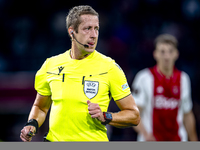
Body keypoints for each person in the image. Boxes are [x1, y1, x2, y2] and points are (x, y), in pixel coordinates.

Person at [20, 5, 140, 142]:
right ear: (72, 32)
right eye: (87, 28)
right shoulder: (50, 65)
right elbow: (40, 107)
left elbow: (134, 116)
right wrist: (32, 124)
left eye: (96, 29)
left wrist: (106, 116)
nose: (94, 35)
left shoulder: (110, 67)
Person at [131, 34, 198, 141]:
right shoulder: (144, 77)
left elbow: (187, 113)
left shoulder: (184, 79)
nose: (166, 56)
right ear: (155, 54)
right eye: (162, 52)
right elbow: (133, 112)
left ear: (176, 54)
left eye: (170, 51)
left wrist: (194, 141)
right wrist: (146, 135)